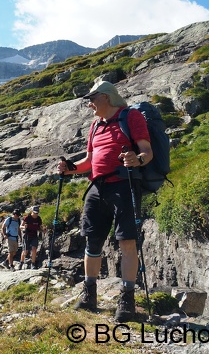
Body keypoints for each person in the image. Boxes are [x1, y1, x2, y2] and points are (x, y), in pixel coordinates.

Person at [57, 81, 153, 323]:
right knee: (93, 239)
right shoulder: (94, 126)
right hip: (97, 187)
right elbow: (89, 161)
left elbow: (146, 152)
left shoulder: (130, 117)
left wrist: (136, 160)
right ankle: (90, 294)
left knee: (127, 242)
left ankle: (127, 299)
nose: (89, 103)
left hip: (124, 184)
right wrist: (70, 169)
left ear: (107, 97)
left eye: (92, 98)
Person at [19, 206, 43, 270]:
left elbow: (40, 228)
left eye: (37, 213)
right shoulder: (27, 218)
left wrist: (43, 230)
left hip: (34, 235)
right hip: (27, 235)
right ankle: (21, 263)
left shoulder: (38, 219)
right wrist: (24, 227)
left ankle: (33, 264)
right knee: (25, 251)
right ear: (32, 212)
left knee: (34, 249)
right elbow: (20, 226)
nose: (36, 214)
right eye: (35, 213)